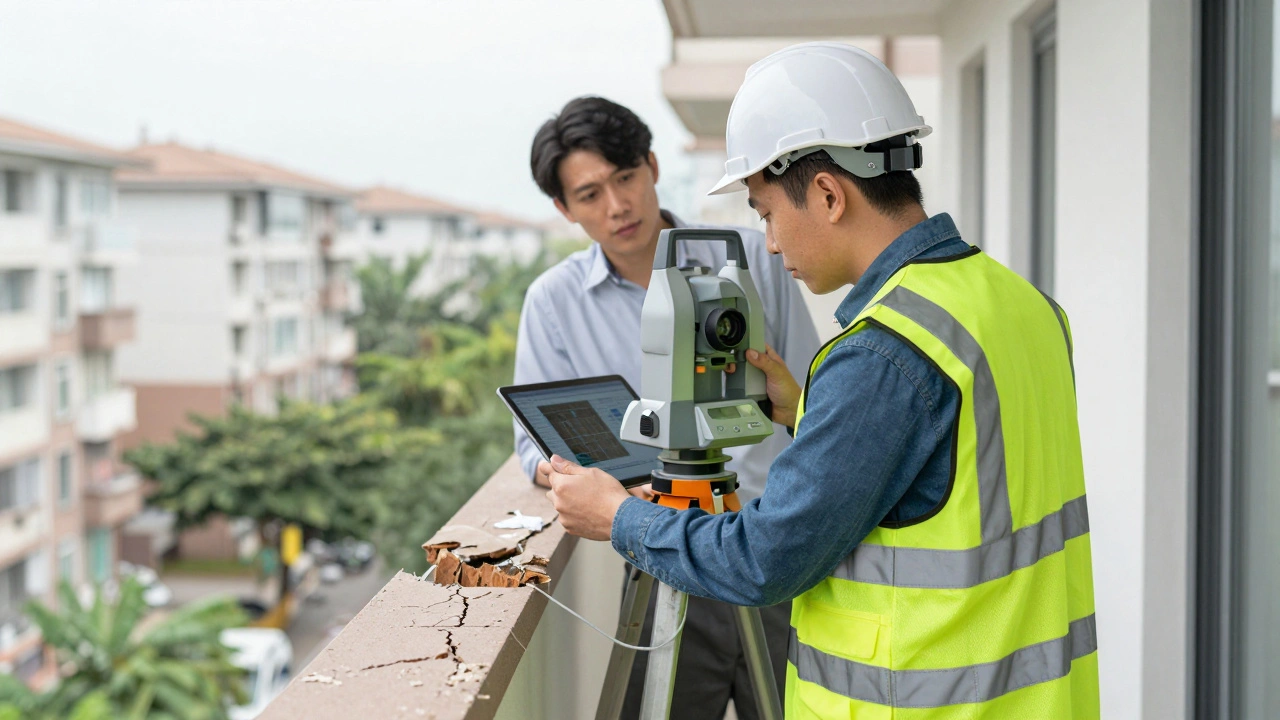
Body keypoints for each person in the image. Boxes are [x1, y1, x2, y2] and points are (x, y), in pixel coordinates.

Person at [543, 43, 1099, 719]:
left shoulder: (883, 353)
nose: (770, 244)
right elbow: (950, 467)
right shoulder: (1022, 305)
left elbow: (764, 559)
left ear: (830, 195)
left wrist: (620, 517)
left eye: (767, 212)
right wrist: (805, 410)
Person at [517, 96, 821, 719]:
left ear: (652, 166)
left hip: (773, 544)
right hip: (664, 548)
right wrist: (560, 472)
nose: (617, 206)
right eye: (590, 193)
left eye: (625, 178)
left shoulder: (752, 258)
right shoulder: (554, 301)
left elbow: (812, 395)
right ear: (563, 208)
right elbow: (533, 446)